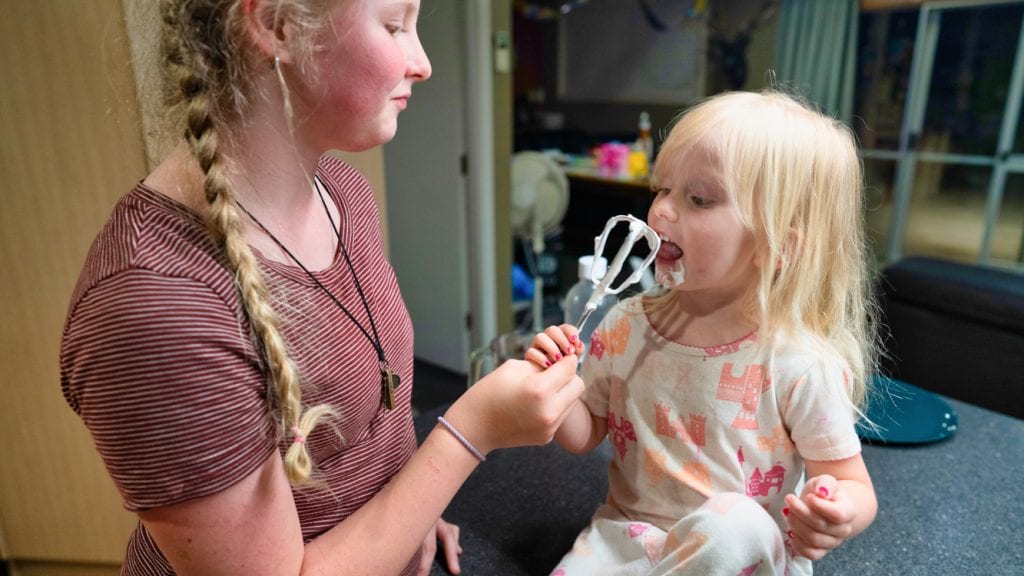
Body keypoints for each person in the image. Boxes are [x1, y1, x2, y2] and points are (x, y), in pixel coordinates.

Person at [59, 1, 583, 574]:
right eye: (393, 25)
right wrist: (471, 430)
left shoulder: (343, 193)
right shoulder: (152, 308)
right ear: (275, 25)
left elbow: (370, 414)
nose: (423, 62)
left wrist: (415, 504)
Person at [527, 90, 879, 575]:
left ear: (776, 246)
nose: (662, 212)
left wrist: (837, 512)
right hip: (629, 539)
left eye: (698, 199)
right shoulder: (626, 323)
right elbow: (585, 433)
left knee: (729, 523)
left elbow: (852, 484)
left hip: (745, 557)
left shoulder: (798, 363)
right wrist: (556, 388)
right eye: (662, 188)